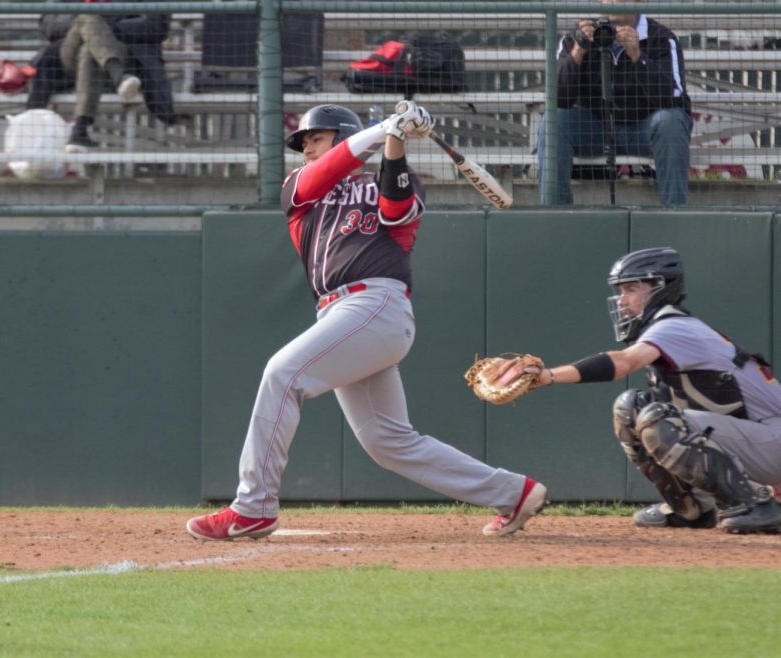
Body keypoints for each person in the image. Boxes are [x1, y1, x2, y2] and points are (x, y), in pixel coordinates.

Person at [186, 102, 548, 541]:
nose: (307, 150)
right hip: (342, 314)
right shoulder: (300, 189)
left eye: (315, 139)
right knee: (388, 441)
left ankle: (253, 508)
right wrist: (385, 128)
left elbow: (396, 208)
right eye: (303, 143)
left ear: (340, 136)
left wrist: (394, 138)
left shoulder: (394, 182)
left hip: (375, 304)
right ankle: (513, 493)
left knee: (282, 374)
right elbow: (325, 173)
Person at [524, 247, 781, 534]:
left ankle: (755, 504)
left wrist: (548, 376)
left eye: (631, 289)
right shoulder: (666, 328)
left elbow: (623, 363)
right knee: (631, 407)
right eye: (620, 290)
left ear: (660, 288)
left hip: (772, 439)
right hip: (755, 439)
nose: (622, 300)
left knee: (657, 418)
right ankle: (692, 508)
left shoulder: (674, 326)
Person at [537, 0, 692, 206]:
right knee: (553, 123)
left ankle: (675, 218)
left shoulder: (662, 38)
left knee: (671, 121)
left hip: (644, 129)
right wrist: (578, 52)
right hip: (593, 129)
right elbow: (557, 98)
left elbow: (673, 97)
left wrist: (638, 56)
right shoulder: (576, 37)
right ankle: (554, 219)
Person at [25, 0, 179, 153]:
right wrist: (96, 22)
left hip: (126, 53)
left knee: (90, 50)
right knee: (89, 17)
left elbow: (157, 26)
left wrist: (108, 27)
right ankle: (119, 76)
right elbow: (50, 25)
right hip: (70, 54)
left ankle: (80, 130)